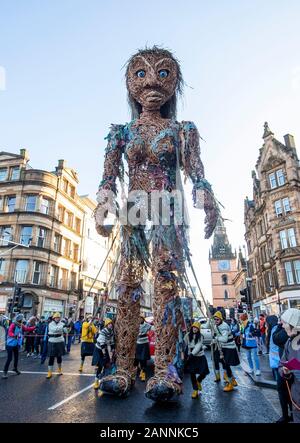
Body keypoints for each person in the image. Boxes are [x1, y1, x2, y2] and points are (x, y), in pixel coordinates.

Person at [94, 46, 219, 401]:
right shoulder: (121, 133)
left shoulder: (182, 130)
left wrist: (207, 199)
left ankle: (165, 370)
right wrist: (104, 203)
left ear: (174, 82)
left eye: (163, 73)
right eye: (141, 74)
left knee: (166, 284)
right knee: (127, 285)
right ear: (130, 84)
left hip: (167, 207)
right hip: (135, 208)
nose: (152, 81)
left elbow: (197, 173)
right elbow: (107, 178)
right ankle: (122, 368)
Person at [279, 308, 300, 423]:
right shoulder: (288, 343)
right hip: (297, 398)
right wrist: (285, 372)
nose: (282, 326)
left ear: (293, 324)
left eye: (285, 323)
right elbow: (281, 364)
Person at [212, 311, 240, 391]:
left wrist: (216, 339)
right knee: (225, 364)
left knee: (226, 365)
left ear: (221, 319)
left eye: (217, 319)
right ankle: (232, 380)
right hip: (224, 347)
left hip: (229, 348)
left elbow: (224, 339)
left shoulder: (224, 326)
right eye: (215, 319)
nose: (216, 321)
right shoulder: (217, 325)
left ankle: (230, 384)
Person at [2, 313, 36, 379]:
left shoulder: (21, 325)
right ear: (19, 319)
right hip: (10, 344)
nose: (23, 320)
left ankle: (15, 368)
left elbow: (26, 329)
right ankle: (5, 372)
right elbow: (9, 333)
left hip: (16, 344)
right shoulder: (13, 324)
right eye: (22, 319)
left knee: (16, 357)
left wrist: (34, 327)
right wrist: (15, 335)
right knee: (9, 358)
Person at [273, 319, 293, 423]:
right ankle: (288, 415)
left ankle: (289, 415)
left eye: (284, 323)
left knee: (287, 392)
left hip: (291, 369)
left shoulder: (290, 334)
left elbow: (275, 338)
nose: (283, 325)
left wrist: (279, 326)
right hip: (285, 367)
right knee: (284, 391)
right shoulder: (289, 337)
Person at [184, 321, 209, 399]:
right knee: (192, 373)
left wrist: (192, 354)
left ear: (199, 329)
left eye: (196, 328)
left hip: (200, 356)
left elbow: (198, 346)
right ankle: (195, 390)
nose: (195, 329)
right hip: (191, 357)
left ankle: (198, 381)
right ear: (192, 328)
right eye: (194, 327)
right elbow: (183, 343)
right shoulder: (187, 335)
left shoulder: (200, 336)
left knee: (204, 372)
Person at [92, 318, 115, 390]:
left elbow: (110, 343)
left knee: (106, 365)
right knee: (100, 366)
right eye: (109, 324)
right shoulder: (103, 332)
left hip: (105, 348)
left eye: (111, 324)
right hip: (99, 349)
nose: (110, 325)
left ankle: (104, 381)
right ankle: (96, 382)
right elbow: (102, 344)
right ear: (106, 325)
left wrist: (111, 351)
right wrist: (104, 354)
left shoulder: (111, 332)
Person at [46, 312, 68, 379]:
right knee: (51, 357)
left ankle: (59, 370)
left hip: (60, 341)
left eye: (58, 317)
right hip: (52, 341)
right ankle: (49, 372)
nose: (58, 319)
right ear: (54, 318)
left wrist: (68, 327)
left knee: (59, 357)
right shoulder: (50, 324)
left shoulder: (62, 324)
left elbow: (66, 332)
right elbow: (54, 330)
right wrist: (62, 326)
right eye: (56, 317)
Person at [134, 315, 152, 381]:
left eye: (141, 318)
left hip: (144, 345)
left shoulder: (147, 325)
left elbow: (152, 328)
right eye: (139, 318)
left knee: (143, 361)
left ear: (143, 319)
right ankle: (135, 375)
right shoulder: (136, 326)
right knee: (136, 360)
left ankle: (143, 375)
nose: (140, 320)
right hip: (138, 345)